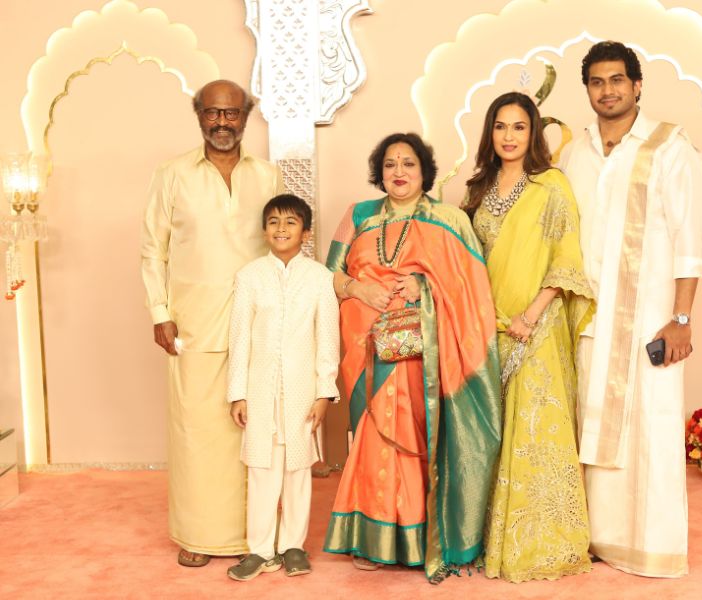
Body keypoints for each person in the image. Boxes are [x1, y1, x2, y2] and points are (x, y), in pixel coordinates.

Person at [322, 132, 502, 584]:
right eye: (390, 164)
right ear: (379, 173)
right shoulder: (358, 215)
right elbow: (327, 275)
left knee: (418, 437)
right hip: (365, 347)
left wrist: (425, 287)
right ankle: (372, 539)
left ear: (424, 172)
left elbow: (473, 288)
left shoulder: (449, 219)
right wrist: (358, 288)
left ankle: (419, 538)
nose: (398, 172)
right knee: (371, 436)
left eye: (408, 164)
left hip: (424, 349)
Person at [560, 41, 702, 577]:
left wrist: (682, 318)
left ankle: (652, 547)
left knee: (651, 427)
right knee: (589, 422)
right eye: (597, 82)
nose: (608, 90)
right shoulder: (575, 153)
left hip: (650, 318)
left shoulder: (669, 147)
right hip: (587, 319)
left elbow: (691, 238)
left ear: (637, 85)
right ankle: (596, 539)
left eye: (617, 80)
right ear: (587, 89)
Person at [141, 80, 285, 567]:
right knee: (197, 434)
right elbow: (152, 250)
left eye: (232, 113)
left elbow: (283, 243)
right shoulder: (172, 174)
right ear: (199, 114)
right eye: (213, 113)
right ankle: (199, 536)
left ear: (246, 116)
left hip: (258, 323)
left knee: (254, 432)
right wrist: (160, 313)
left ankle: (254, 536)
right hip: (193, 325)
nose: (222, 122)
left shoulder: (268, 175)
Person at [463, 92, 595, 582]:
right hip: (489, 324)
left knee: (536, 431)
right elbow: (467, 259)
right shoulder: (478, 188)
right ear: (490, 133)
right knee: (495, 434)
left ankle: (542, 543)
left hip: (536, 325)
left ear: (533, 133)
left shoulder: (551, 184)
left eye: (519, 127)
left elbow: (567, 257)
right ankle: (491, 539)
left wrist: (532, 314)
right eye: (500, 126)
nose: (509, 136)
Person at [225, 194, 340, 580]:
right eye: (273, 222)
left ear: (305, 233)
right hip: (260, 391)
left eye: (291, 222)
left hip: (302, 392)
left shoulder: (320, 278)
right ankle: (260, 550)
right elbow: (240, 338)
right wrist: (238, 393)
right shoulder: (250, 276)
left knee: (297, 469)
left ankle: (293, 546)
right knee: (261, 469)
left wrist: (324, 392)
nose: (281, 229)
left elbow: (327, 339)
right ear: (264, 230)